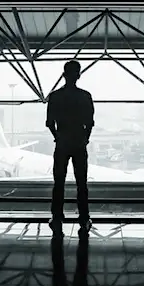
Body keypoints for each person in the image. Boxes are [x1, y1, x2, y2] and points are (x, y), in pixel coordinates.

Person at [46, 60, 94, 233]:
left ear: (64, 74)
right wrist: (85, 139)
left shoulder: (55, 96)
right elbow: (89, 122)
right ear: (78, 75)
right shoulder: (85, 96)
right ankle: (84, 217)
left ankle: (57, 216)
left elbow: (50, 123)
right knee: (82, 182)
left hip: (62, 142)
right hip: (79, 143)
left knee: (59, 182)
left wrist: (57, 137)